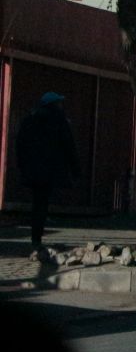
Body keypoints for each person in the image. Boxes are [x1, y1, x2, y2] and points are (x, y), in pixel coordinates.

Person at [12, 93, 79, 252]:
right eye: (59, 103)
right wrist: (75, 170)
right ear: (54, 105)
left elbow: (20, 144)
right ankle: (37, 239)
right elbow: (69, 146)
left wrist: (22, 165)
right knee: (42, 204)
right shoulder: (59, 122)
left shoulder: (30, 120)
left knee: (38, 203)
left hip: (33, 170)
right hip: (50, 170)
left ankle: (36, 238)